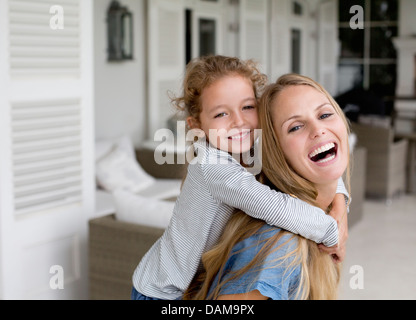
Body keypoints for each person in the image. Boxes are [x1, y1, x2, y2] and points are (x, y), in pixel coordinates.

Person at [131, 56, 349, 300]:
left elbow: (319, 164)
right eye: (221, 114)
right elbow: (273, 206)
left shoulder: (250, 145)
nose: (239, 121)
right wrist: (331, 232)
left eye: (247, 107)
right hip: (160, 292)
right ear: (197, 126)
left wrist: (339, 203)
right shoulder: (211, 166)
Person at [183, 73, 351, 300]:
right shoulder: (278, 246)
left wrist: (339, 205)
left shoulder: (325, 214)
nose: (318, 129)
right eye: (295, 127)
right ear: (275, 152)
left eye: (325, 114)